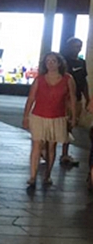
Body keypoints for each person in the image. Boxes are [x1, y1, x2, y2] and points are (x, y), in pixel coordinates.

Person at [23, 52, 76, 188]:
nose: (50, 63)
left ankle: (47, 174)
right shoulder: (39, 79)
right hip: (39, 115)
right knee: (37, 145)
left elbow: (72, 99)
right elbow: (31, 98)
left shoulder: (67, 79)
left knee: (51, 146)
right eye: (48, 61)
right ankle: (33, 176)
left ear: (59, 63)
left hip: (57, 117)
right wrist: (26, 116)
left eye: (53, 61)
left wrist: (73, 116)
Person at [60, 37, 89, 167]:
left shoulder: (82, 63)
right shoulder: (62, 62)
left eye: (79, 46)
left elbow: (84, 82)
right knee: (57, 124)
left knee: (70, 126)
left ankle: (65, 154)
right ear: (68, 47)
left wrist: (87, 98)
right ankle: (45, 149)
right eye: (74, 46)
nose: (77, 49)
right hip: (63, 99)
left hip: (76, 99)